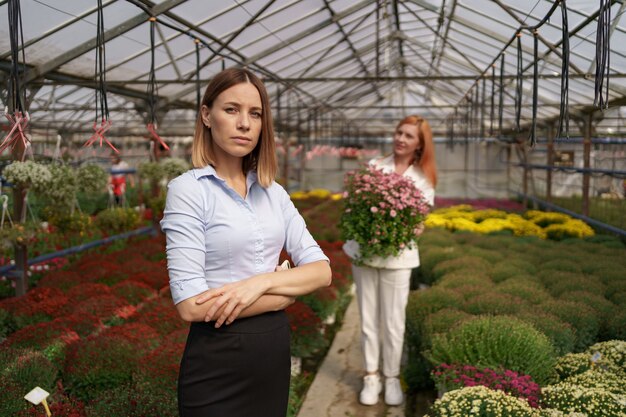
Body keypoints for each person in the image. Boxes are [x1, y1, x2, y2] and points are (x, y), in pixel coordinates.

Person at [159, 68, 332, 417]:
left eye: (255, 114)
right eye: (231, 110)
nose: (244, 124)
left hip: (272, 352)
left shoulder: (274, 193)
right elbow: (191, 306)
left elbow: (322, 271)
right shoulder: (189, 190)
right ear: (207, 116)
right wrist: (282, 296)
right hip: (216, 358)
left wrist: (262, 282)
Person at [343, 115, 437, 406]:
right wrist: (369, 226)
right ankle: (371, 376)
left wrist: (401, 228)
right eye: (399, 132)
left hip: (399, 257)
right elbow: (353, 206)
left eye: (409, 136)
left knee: (394, 322)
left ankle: (392, 377)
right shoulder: (374, 168)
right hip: (365, 253)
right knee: (368, 318)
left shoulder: (423, 178)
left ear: (419, 144)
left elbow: (419, 221)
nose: (401, 139)